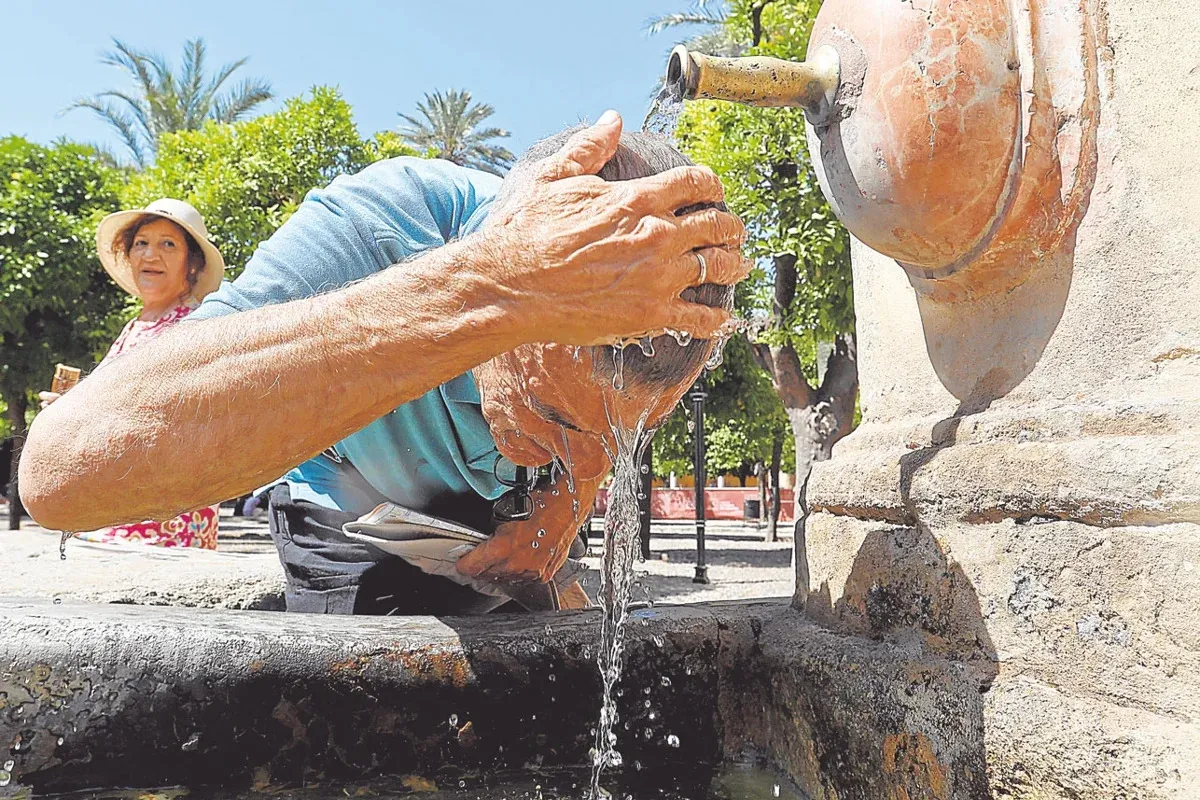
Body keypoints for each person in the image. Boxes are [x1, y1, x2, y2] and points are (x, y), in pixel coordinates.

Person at [18, 112, 747, 611]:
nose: (577, 455)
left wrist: (561, 510)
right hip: (348, 514)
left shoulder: (635, 313)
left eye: (620, 436)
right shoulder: (391, 220)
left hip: (503, 531)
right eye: (551, 417)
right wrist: (493, 288)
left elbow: (592, 431)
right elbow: (61, 477)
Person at [39, 199, 226, 549]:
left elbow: (157, 416)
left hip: (161, 524)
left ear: (192, 264)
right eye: (141, 243)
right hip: (120, 512)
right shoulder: (138, 324)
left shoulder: (194, 324)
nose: (150, 255)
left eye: (168, 244)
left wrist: (76, 413)